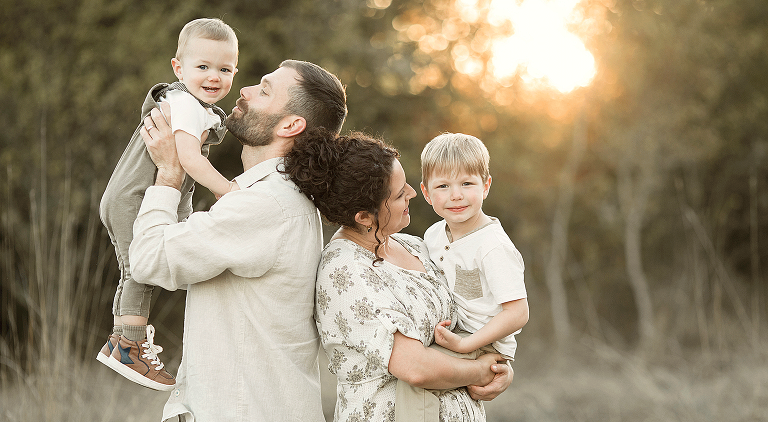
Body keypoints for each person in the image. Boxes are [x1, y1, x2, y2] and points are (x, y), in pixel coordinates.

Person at [130, 59, 347, 421]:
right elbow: (190, 262)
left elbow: (149, 260)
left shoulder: (264, 205)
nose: (244, 90)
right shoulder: (273, 199)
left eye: (264, 90)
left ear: (291, 124)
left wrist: (169, 175)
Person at [282, 131, 513, 422]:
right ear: (364, 217)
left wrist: (502, 368)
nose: (413, 194)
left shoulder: (414, 245)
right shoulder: (345, 271)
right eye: (400, 193)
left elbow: (473, 317)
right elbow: (415, 367)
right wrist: (482, 371)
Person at [97, 18, 239, 391]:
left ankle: (123, 339)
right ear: (178, 68)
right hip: (135, 199)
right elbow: (189, 161)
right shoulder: (185, 104)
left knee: (149, 266)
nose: (214, 77)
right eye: (203, 67)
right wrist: (229, 191)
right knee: (141, 271)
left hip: (151, 197)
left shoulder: (198, 107)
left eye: (224, 69)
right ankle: (128, 345)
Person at [419, 133, 528, 361]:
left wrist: (465, 344)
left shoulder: (492, 245)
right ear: (427, 193)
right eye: (443, 186)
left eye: (467, 183)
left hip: (483, 342)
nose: (456, 195)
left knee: (418, 367)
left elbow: (517, 313)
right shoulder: (432, 235)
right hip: (453, 332)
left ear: (485, 186)